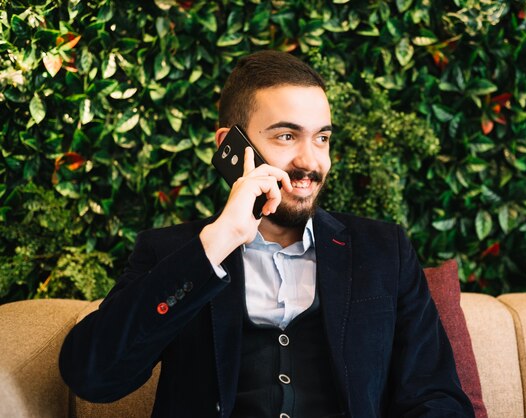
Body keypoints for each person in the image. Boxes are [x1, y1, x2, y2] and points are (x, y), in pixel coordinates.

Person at [59, 50, 474, 418]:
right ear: (229, 147)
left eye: (322, 139)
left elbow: (436, 397)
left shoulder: (383, 250)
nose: (310, 162)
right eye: (287, 136)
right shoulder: (171, 253)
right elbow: (93, 377)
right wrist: (217, 243)